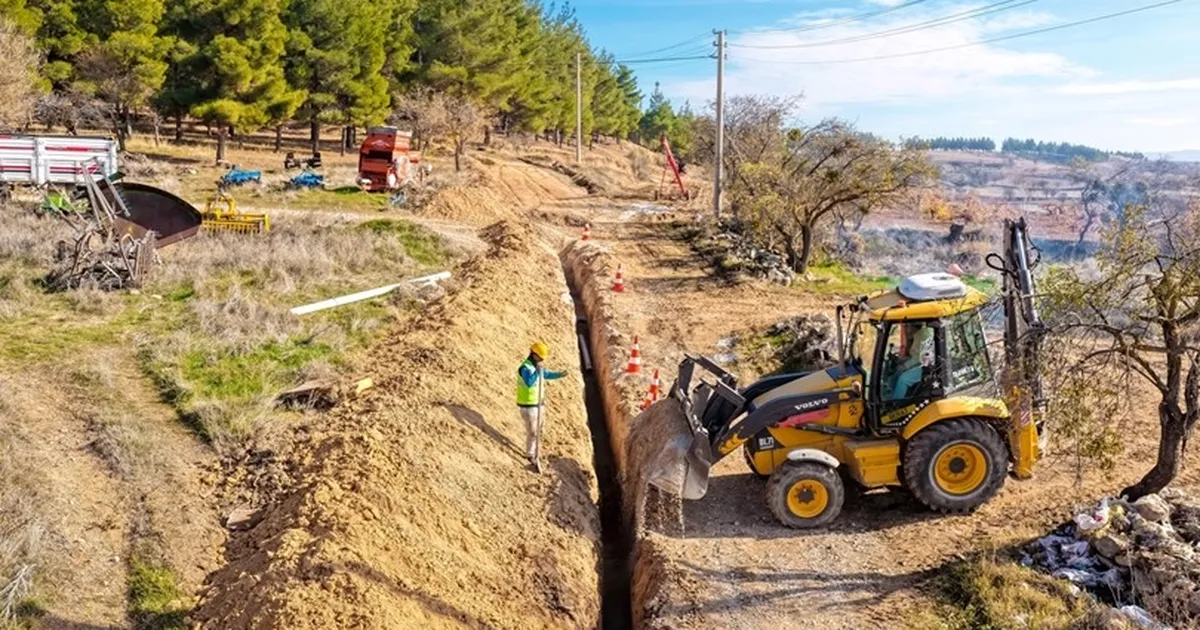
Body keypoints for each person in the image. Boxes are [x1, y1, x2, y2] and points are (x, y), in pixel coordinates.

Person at [516, 342, 565, 473]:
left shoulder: (537, 367)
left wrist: (559, 375)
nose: (542, 360)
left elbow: (547, 375)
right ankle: (531, 455)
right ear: (533, 354)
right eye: (541, 357)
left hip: (539, 404)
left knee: (539, 430)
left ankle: (535, 452)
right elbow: (529, 383)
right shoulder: (525, 368)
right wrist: (537, 371)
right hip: (529, 406)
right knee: (533, 432)